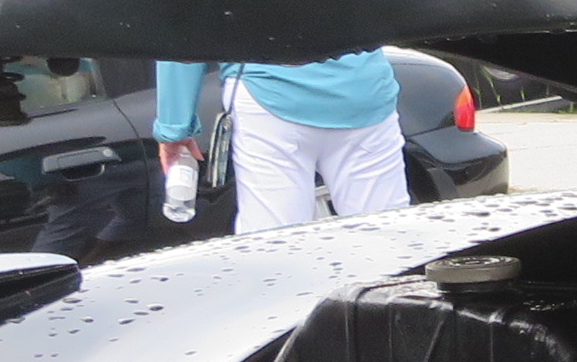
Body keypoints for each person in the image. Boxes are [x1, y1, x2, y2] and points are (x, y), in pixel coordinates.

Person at [155, 52, 406, 233]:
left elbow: (183, 17)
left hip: (267, 93)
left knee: (275, 244)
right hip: (364, 89)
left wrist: (174, 126)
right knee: (387, 236)